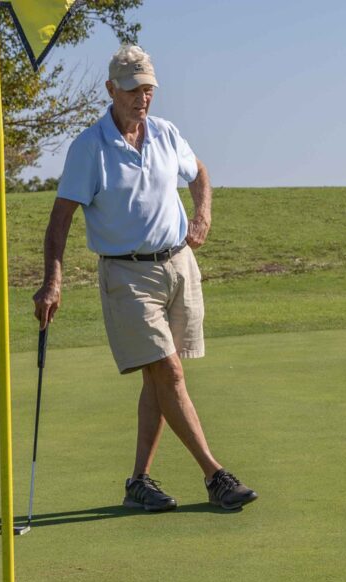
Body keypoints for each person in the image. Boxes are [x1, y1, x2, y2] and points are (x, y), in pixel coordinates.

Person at [33, 44, 257, 512]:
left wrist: (203, 214)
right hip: (127, 275)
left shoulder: (166, 133)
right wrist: (53, 279)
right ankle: (215, 476)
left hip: (179, 266)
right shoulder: (89, 148)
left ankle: (138, 482)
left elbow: (198, 172)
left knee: (158, 377)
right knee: (168, 371)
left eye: (149, 88)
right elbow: (60, 221)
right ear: (111, 89)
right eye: (133, 89)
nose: (143, 98)